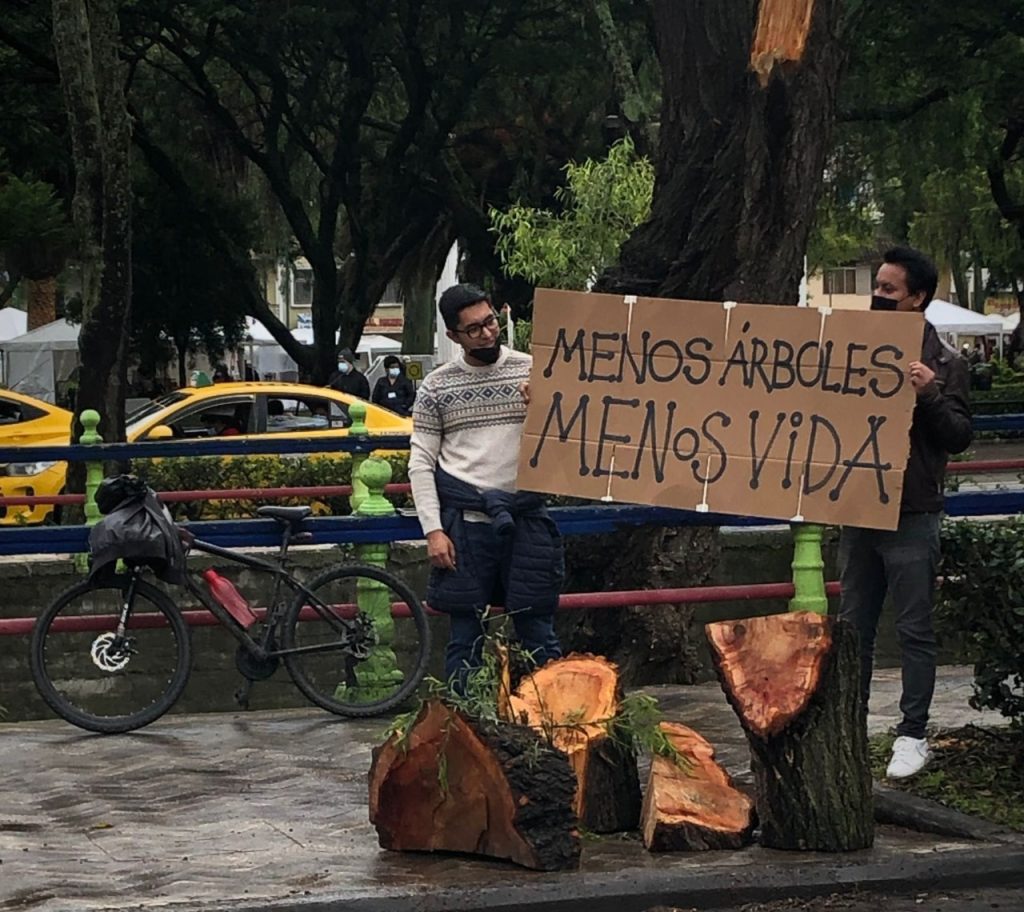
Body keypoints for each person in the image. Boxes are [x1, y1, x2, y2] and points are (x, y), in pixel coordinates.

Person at [839, 246, 972, 780]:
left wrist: (930, 395)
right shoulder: (852, 351)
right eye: (877, 285)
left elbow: (960, 437)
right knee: (853, 628)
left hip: (913, 512)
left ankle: (911, 734)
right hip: (858, 506)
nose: (877, 296)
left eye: (890, 290)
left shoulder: (947, 365)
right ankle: (849, 727)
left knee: (914, 629)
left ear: (917, 298)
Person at [409, 283, 562, 693]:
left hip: (524, 517)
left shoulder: (534, 370)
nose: (488, 333)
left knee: (538, 631)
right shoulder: (436, 387)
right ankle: (463, 727)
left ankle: (558, 722)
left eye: (491, 321)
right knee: (464, 637)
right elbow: (421, 462)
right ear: (453, 336)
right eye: (474, 329)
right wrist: (433, 530)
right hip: (466, 524)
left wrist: (542, 410)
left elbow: (566, 445)